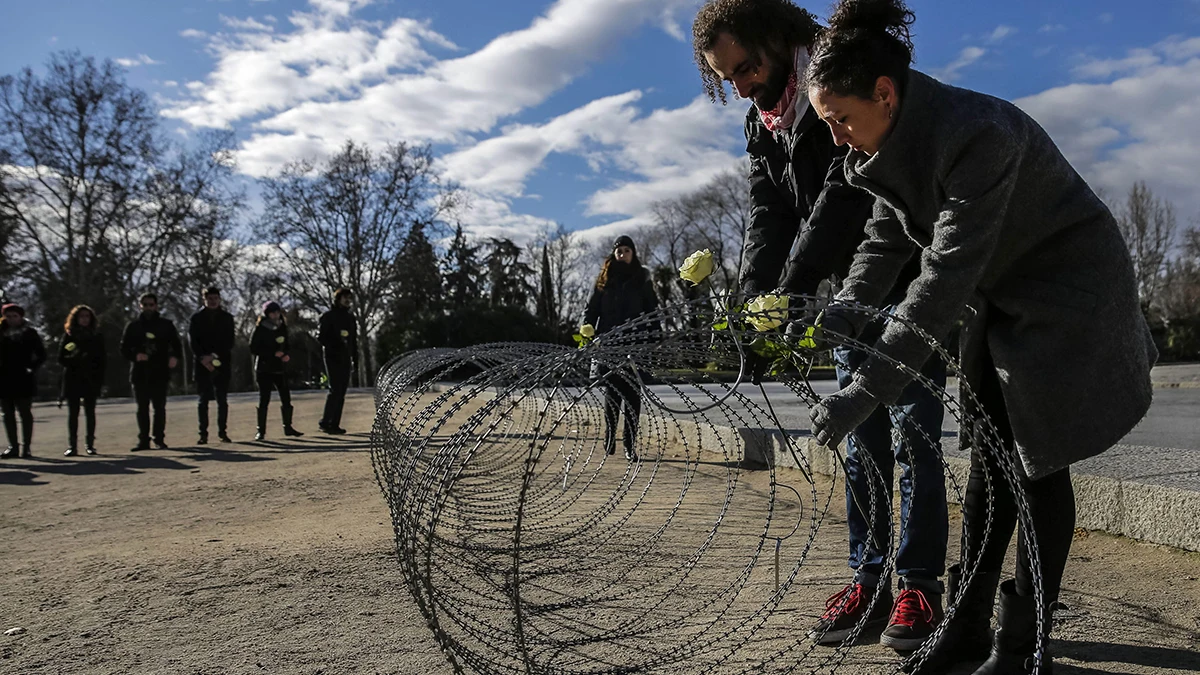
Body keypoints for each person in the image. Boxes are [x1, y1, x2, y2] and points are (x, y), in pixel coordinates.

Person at [802, 1, 1157, 672]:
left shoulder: (976, 134)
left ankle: (1027, 647)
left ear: (884, 93)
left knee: (1037, 462)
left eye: (840, 119)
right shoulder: (893, 136)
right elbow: (886, 234)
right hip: (1003, 295)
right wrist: (849, 304)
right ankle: (966, 629)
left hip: (1068, 290)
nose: (839, 137)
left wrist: (864, 391)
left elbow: (941, 283)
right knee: (991, 463)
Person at [693, 0, 949, 650]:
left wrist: (794, 287)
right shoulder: (763, 122)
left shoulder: (838, 76)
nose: (743, 86)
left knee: (911, 434)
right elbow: (767, 209)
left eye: (746, 67)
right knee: (859, 443)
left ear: (775, 37)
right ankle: (869, 580)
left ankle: (919, 584)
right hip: (842, 298)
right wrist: (756, 297)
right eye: (729, 80)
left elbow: (846, 191)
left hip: (902, 279)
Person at [582, 236, 660, 462]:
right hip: (609, 342)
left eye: (627, 250)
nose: (622, 254)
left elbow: (652, 310)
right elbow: (591, 308)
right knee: (613, 393)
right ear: (614, 254)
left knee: (633, 394)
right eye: (619, 250)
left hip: (635, 343)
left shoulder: (642, 280)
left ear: (633, 253)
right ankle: (609, 436)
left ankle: (629, 443)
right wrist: (588, 329)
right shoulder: (604, 279)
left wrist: (656, 335)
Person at [120, 293, 182, 451]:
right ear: (140, 305)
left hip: (160, 371)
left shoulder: (166, 325)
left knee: (159, 408)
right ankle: (143, 440)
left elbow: (176, 345)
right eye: (145, 304)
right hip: (140, 372)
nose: (148, 308)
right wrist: (135, 355)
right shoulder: (133, 326)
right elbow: (124, 348)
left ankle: (159, 439)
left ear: (156, 306)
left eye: (151, 305)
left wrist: (174, 357)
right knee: (142, 408)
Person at [250, 301, 303, 441]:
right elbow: (253, 348)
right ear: (267, 314)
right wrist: (272, 353)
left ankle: (288, 427)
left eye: (277, 312)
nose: (275, 315)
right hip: (264, 368)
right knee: (264, 399)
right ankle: (260, 431)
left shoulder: (282, 327)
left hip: (280, 368)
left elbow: (286, 345)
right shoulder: (261, 328)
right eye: (272, 312)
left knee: (286, 397)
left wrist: (285, 354)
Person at [189, 287, 235, 444]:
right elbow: (193, 342)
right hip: (202, 364)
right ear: (204, 299)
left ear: (219, 299)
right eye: (210, 298)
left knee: (222, 399)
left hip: (222, 363)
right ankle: (203, 434)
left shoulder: (227, 318)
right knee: (203, 401)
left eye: (215, 298)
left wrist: (214, 356)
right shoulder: (196, 318)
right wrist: (203, 358)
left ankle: (223, 432)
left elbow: (229, 341)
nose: (213, 301)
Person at [0, 303, 47, 458]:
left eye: (15, 316)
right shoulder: (1, 332)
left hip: (23, 378)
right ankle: (13, 446)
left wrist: (31, 368)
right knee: (7, 414)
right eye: (8, 316)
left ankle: (26, 447)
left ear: (20, 317)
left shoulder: (30, 333)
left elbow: (41, 354)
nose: (11, 319)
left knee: (25, 412)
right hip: (4, 378)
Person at [59, 305, 106, 456]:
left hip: (90, 378)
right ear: (75, 319)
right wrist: (74, 359)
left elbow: (102, 359)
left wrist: (99, 377)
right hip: (73, 378)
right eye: (81, 316)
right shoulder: (69, 335)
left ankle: (90, 444)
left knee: (90, 412)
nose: (84, 319)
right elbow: (61, 358)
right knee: (73, 413)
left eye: (87, 316)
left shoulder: (96, 336)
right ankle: (72, 445)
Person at [317, 288, 358, 434]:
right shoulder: (328, 316)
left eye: (349, 298)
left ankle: (334, 423)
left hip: (346, 357)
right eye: (345, 297)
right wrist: (336, 343)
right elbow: (321, 337)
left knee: (342, 391)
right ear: (338, 299)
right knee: (335, 389)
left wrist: (355, 359)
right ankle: (325, 421)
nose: (347, 300)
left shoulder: (350, 318)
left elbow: (354, 341)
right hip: (332, 357)